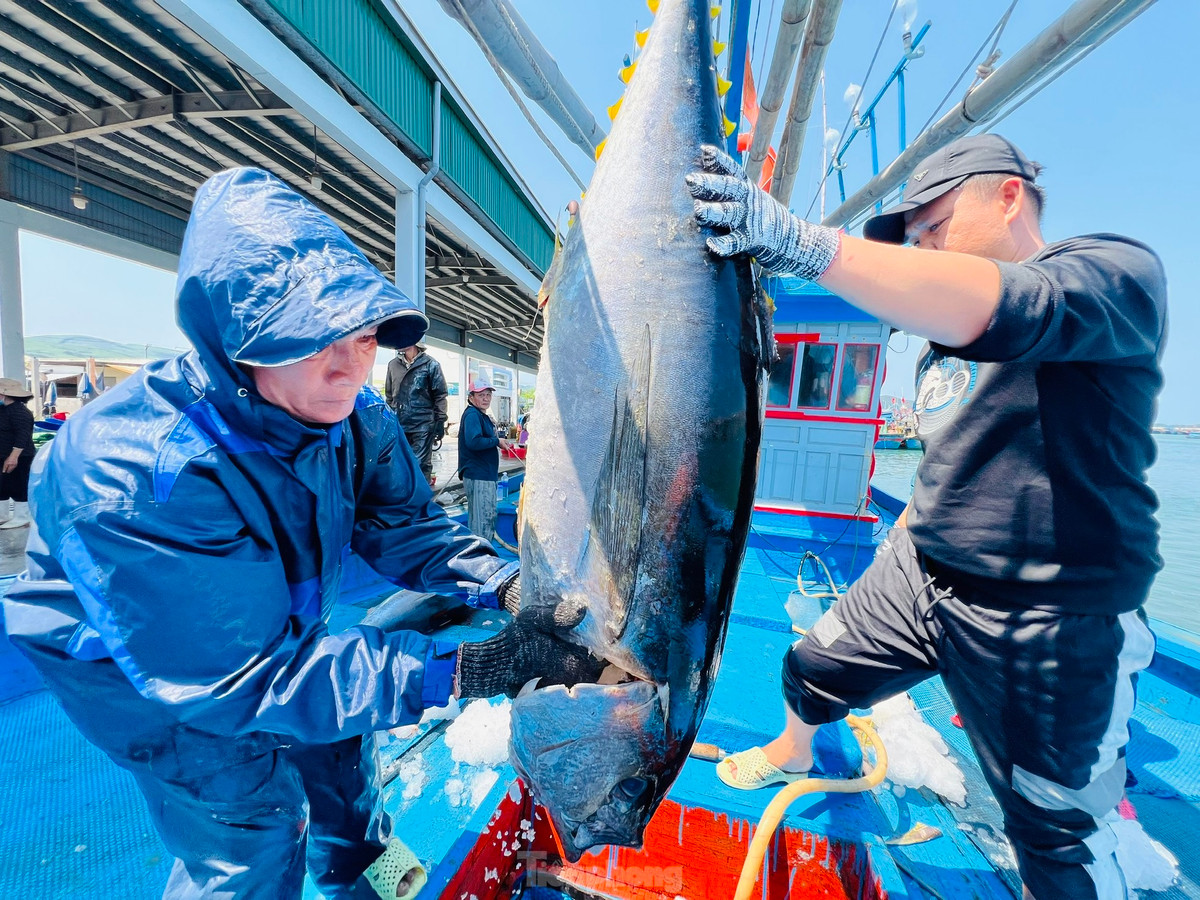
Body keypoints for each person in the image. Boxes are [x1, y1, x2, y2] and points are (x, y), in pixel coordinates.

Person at [2, 168, 603, 900]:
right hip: (143, 667)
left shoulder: (355, 418)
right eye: (313, 336)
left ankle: (358, 868)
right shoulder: (133, 471)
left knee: (339, 736)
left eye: (362, 335)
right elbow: (241, 681)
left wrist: (507, 584)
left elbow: (409, 529)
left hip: (272, 627)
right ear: (238, 337)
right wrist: (463, 670)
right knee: (251, 814)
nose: (350, 364)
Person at [688, 134, 1167, 899]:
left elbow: (1012, 307)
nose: (923, 248)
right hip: (923, 571)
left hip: (1050, 610)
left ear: (1007, 195)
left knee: (1054, 832)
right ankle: (794, 749)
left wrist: (806, 246)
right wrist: (908, 528)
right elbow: (961, 452)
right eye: (914, 243)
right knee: (810, 667)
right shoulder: (940, 345)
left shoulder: (1113, 273)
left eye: (934, 227)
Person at [384, 344, 448, 485]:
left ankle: (419, 501)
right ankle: (403, 500)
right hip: (399, 423)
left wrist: (440, 421)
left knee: (419, 464)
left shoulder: (431, 365)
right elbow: (389, 395)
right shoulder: (393, 365)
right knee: (399, 464)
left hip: (423, 424)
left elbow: (440, 395)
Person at [457, 377, 512, 542]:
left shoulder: (479, 415)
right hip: (479, 474)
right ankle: (483, 557)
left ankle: (477, 555)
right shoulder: (473, 415)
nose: (486, 398)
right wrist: (496, 441)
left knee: (478, 520)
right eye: (481, 395)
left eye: (488, 395)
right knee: (484, 520)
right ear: (471, 397)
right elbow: (473, 441)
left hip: (481, 473)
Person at [0, 377, 35, 529]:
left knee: (19, 485)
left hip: (20, 456)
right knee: (3, 485)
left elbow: (23, 436)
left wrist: (13, 457)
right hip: (3, 454)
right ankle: (3, 514)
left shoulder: (20, 412)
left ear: (4, 395)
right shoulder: (4, 410)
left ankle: (22, 517)